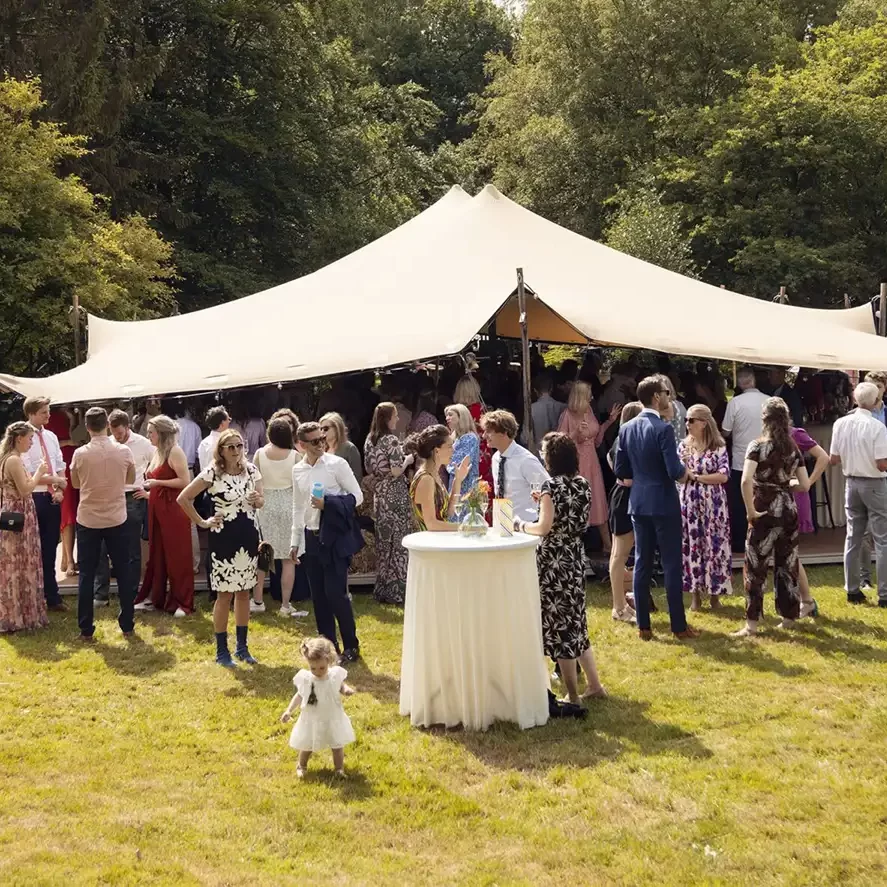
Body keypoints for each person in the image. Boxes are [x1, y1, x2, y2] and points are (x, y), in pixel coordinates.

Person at [518, 433, 606, 705]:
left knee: (560, 628)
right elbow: (570, 515)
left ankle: (573, 694)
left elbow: (543, 528)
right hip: (574, 556)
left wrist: (520, 525)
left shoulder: (550, 486)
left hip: (553, 561)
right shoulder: (582, 483)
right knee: (577, 622)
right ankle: (594, 685)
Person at [614, 375, 697, 640]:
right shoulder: (662, 428)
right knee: (672, 564)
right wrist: (687, 471)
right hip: (663, 501)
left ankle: (644, 626)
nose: (668, 396)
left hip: (638, 501)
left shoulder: (626, 429)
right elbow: (674, 470)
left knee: (642, 563)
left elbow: (620, 469)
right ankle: (678, 626)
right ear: (656, 397)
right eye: (665, 392)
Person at [179, 428, 264, 665]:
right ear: (221, 450)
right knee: (224, 594)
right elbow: (184, 498)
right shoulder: (212, 473)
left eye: (239, 446)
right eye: (231, 447)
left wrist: (258, 500)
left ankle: (242, 647)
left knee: (244, 592)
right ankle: (221, 650)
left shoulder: (251, 470)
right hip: (223, 537)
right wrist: (202, 522)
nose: (236, 451)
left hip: (248, 535)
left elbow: (261, 498)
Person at [736, 397, 812, 636]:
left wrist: (750, 510)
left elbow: (746, 479)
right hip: (788, 509)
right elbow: (805, 484)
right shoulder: (793, 448)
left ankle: (752, 624)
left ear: (764, 420)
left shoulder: (757, 446)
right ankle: (789, 616)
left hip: (764, 508)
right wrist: (784, 485)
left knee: (755, 566)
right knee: (787, 563)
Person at [290, 422, 364, 663]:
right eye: (314, 441)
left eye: (322, 438)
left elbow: (358, 496)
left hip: (333, 536)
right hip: (311, 537)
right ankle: (329, 647)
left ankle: (351, 646)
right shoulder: (298, 470)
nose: (321, 444)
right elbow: (298, 507)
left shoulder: (337, 464)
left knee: (336, 594)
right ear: (301, 445)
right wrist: (294, 542)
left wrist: (328, 503)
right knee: (319, 597)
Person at [70, 408, 137, 641]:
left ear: (87, 427)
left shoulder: (80, 454)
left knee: (87, 573)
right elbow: (130, 479)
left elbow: (76, 484)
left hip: (89, 517)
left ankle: (86, 628)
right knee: (124, 569)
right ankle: (127, 622)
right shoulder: (124, 450)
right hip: (116, 516)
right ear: (107, 425)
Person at [829, 381, 887, 607]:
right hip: (874, 483)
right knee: (882, 540)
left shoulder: (840, 423)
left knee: (853, 536)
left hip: (851, 482)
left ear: (855, 399)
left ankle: (852, 590)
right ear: (875, 402)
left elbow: (833, 459)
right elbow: (882, 464)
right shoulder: (877, 427)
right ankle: (884, 594)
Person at [94, 410, 155, 608]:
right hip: (111, 495)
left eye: (120, 434)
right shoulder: (109, 443)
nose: (117, 437)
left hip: (133, 495)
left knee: (131, 548)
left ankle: (131, 593)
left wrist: (148, 489)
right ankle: (101, 593)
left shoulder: (143, 444)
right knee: (103, 545)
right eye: (114, 433)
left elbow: (157, 463)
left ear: (128, 427)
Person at [134, 416, 194, 617]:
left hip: (175, 511)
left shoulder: (175, 451)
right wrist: (149, 494)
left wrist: (157, 484)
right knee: (157, 555)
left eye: (151, 432)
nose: (148, 435)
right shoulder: (157, 452)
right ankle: (155, 597)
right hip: (158, 508)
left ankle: (182, 601)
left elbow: (185, 481)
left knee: (178, 556)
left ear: (161, 433)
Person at [678, 404, 732, 611]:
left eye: (691, 420)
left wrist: (697, 477)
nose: (687, 424)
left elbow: (723, 475)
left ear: (704, 423)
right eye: (686, 420)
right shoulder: (684, 446)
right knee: (693, 545)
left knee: (714, 546)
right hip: (690, 502)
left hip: (713, 504)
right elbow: (680, 478)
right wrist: (683, 470)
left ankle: (715, 594)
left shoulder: (718, 446)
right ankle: (695, 596)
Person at [280, 636, 355, 779]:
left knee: (337, 744)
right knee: (307, 744)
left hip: (332, 716)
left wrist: (346, 690)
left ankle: (339, 769)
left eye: (322, 668)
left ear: (329, 661)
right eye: (313, 668)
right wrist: (289, 710)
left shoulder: (334, 675)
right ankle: (301, 765)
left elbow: (341, 685)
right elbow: (299, 695)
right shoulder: (307, 679)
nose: (318, 671)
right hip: (312, 717)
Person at [557, 381, 620, 551]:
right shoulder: (567, 415)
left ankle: (608, 546)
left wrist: (609, 421)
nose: (592, 398)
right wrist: (576, 433)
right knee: (578, 502)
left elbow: (597, 440)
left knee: (598, 500)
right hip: (576, 463)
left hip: (592, 460)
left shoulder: (590, 411)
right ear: (580, 397)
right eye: (589, 395)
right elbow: (560, 444)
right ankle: (576, 547)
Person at [0, 422, 49, 632]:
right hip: (19, 513)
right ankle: (20, 615)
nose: (31, 443)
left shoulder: (7, 458)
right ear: (19, 437)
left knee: (14, 562)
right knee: (20, 562)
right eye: (29, 438)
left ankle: (18, 612)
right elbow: (24, 489)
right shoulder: (13, 460)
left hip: (11, 511)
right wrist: (39, 472)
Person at [21, 397, 69, 612]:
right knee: (32, 548)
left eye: (48, 412)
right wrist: (55, 481)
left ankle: (52, 595)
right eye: (43, 412)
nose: (48, 416)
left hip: (52, 497)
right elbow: (26, 472)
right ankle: (33, 595)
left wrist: (59, 489)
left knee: (50, 547)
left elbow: (59, 463)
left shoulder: (50, 436)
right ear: (31, 413)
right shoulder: (22, 438)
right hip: (33, 495)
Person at [364, 403, 415, 603]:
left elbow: (369, 467)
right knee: (400, 542)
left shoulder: (370, 440)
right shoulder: (392, 441)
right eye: (395, 416)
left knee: (384, 543)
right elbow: (395, 470)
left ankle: (382, 588)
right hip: (395, 493)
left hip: (380, 494)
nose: (397, 419)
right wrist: (408, 460)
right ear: (387, 418)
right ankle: (398, 591)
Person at [252, 417, 300, 616]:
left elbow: (255, 481)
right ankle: (285, 605)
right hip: (288, 504)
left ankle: (257, 601)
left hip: (266, 504)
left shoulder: (259, 454)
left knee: (263, 555)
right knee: (288, 559)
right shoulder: (295, 456)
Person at [722, 366, 769, 552]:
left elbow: (726, 431)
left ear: (740, 383)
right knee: (764, 498)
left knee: (740, 501)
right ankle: (765, 538)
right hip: (765, 457)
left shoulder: (735, 403)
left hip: (742, 459)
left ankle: (741, 540)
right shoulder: (768, 400)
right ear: (754, 380)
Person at [607, 402, 643, 624]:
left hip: (619, 494)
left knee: (618, 554)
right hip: (626, 496)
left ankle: (621, 603)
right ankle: (619, 606)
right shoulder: (626, 442)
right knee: (620, 554)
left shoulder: (618, 441)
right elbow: (628, 477)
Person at [482, 410, 549, 524]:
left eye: (489, 432)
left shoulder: (526, 460)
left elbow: (547, 489)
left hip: (526, 524)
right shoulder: (496, 458)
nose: (484, 436)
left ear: (504, 433)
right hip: (502, 523)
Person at [408, 425, 469, 531]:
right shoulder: (426, 479)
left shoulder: (433, 474)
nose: (453, 450)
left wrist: (457, 481)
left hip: (437, 542)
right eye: (450, 446)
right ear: (437, 451)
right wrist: (465, 528)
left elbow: (448, 512)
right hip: (427, 545)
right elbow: (431, 524)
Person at [46, 407, 79, 577]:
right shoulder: (53, 416)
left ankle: (67, 558)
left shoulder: (75, 412)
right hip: (62, 464)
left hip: (76, 464)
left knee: (73, 512)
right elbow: (47, 445)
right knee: (67, 512)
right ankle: (69, 559)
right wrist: (68, 443)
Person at [444, 404, 479, 494]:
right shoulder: (456, 438)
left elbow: (457, 464)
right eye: (446, 416)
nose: (447, 418)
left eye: (450, 415)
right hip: (456, 484)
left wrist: (442, 459)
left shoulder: (469, 438)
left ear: (461, 417)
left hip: (466, 487)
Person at [320, 412, 363, 481]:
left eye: (326, 429)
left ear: (337, 428)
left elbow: (357, 477)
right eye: (320, 429)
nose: (322, 432)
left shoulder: (349, 448)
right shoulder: (322, 449)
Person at [531, 371, 567, 446]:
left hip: (538, 450)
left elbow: (525, 437)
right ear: (551, 388)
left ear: (535, 390)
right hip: (558, 448)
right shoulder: (562, 407)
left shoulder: (531, 408)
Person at [197, 406, 231, 472]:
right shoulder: (224, 444)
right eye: (228, 419)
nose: (229, 422)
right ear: (222, 423)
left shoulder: (203, 442)